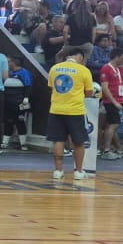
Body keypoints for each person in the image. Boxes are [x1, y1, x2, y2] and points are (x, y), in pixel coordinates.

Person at [45, 46, 95, 182]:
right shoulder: (83, 70)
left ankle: (58, 171)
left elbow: (51, 88)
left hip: (56, 110)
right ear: (80, 57)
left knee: (58, 140)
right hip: (75, 111)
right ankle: (78, 172)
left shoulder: (54, 68)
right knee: (78, 142)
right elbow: (89, 93)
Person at [98, 48, 123, 160]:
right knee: (113, 125)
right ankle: (106, 150)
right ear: (117, 57)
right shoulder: (106, 68)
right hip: (111, 101)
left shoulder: (120, 69)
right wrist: (114, 102)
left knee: (112, 125)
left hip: (120, 100)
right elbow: (105, 88)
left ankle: (115, 148)